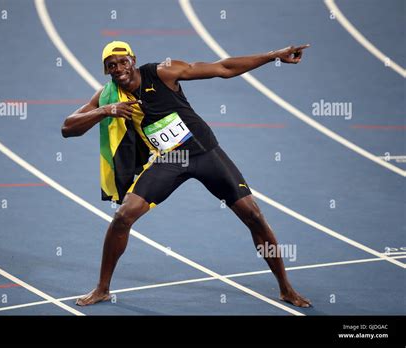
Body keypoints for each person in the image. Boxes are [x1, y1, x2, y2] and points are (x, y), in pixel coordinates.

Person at [62, 41, 312, 308]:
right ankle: (102, 289)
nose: (119, 68)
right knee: (123, 217)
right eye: (111, 65)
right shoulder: (109, 96)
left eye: (123, 61)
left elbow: (223, 68)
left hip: (205, 152)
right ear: (105, 70)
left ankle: (286, 288)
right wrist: (106, 110)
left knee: (254, 216)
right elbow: (68, 128)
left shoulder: (163, 72)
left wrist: (273, 54)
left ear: (133, 59)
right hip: (169, 160)